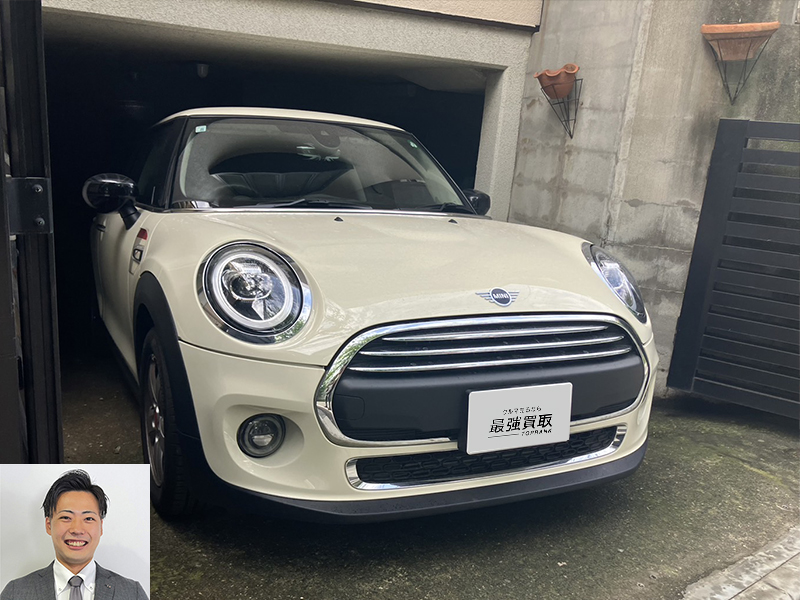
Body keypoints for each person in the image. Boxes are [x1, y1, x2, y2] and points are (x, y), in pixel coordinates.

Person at [0, 470, 148, 600]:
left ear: (101, 527)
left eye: (88, 518)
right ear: (48, 525)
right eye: (66, 517)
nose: (77, 529)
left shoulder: (132, 593)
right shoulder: (15, 593)